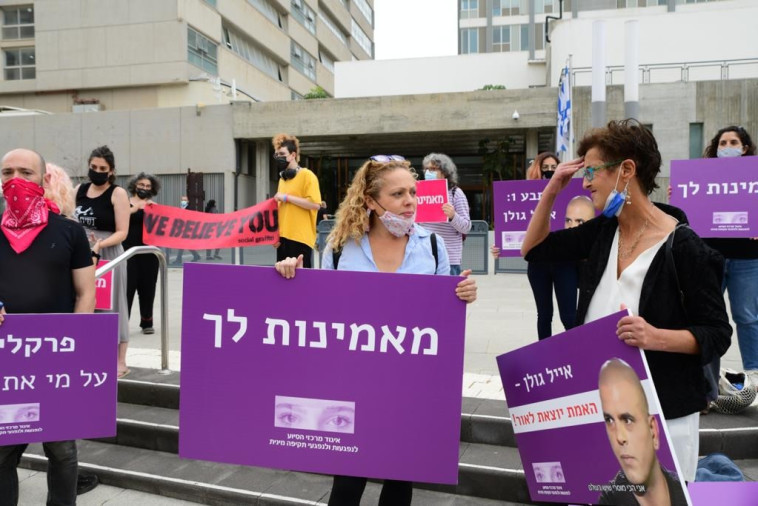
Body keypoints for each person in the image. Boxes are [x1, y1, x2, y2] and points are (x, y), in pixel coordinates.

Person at [521, 119, 731, 481]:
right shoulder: (604, 231)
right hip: (603, 410)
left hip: (665, 413)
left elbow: (717, 334)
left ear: (627, 170)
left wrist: (654, 337)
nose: (585, 183)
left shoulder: (684, 247)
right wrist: (553, 188)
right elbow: (534, 249)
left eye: (591, 172)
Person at [275, 154, 477, 506]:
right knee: (348, 482)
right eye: (398, 194)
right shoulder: (340, 250)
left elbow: (442, 322)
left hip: (410, 385)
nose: (410, 201)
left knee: (400, 481)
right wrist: (291, 278)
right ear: (370, 201)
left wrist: (462, 296)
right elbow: (320, 315)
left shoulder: (432, 246)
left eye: (412, 192)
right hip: (355, 383)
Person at [0, 148, 96, 506]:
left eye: (25, 172)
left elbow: (86, 294)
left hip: (55, 361)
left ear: (44, 179)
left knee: (62, 453)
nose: (15, 180)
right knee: (4, 454)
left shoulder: (70, 233)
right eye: (7, 172)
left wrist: (76, 346)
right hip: (6, 363)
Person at [702, 126, 758, 394]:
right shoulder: (702, 176)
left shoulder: (755, 176)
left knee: (747, 317)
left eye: (733, 142)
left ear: (745, 147)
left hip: (747, 258)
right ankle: (708, 384)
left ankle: (754, 377)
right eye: (723, 142)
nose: (728, 146)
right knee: (709, 318)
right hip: (712, 256)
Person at [74, 145, 131, 378]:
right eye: (93, 167)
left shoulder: (118, 194)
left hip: (108, 253)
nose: (97, 171)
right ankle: (88, 353)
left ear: (111, 171)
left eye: (102, 168)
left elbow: (122, 232)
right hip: (81, 253)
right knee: (84, 302)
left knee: (113, 305)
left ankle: (120, 360)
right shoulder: (79, 189)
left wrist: (100, 245)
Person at [597, 358, 687, 506]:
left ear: (653, 431)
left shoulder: (691, 492)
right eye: (609, 420)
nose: (619, 437)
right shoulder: (608, 499)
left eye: (627, 420)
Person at [272, 133, 321, 268]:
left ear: (293, 155)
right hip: (283, 240)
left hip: (300, 239)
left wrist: (286, 197)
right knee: (282, 282)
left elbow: (315, 205)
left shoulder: (307, 175)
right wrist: (275, 235)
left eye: (282, 153)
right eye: (276, 154)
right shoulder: (283, 179)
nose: (279, 157)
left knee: (301, 284)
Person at [420, 153, 472, 275]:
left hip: (449, 258)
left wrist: (453, 216)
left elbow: (466, 227)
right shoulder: (420, 193)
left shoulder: (455, 193)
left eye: (433, 169)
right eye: (426, 169)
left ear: (445, 172)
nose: (428, 172)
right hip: (424, 255)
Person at [124, 173, 161, 335]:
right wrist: (135, 209)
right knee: (127, 288)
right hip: (127, 253)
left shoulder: (154, 206)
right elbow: (117, 219)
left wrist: (154, 211)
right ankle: (123, 323)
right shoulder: (125, 203)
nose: (144, 188)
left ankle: (147, 322)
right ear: (134, 186)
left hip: (149, 253)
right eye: (141, 185)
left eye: (147, 186)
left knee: (148, 288)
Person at [171, 195, 201, 265]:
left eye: (185, 200)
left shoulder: (190, 209)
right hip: (182, 229)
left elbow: (193, 218)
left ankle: (179, 259)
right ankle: (196, 256)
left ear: (188, 201)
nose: (183, 201)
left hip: (188, 230)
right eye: (182, 200)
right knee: (186, 245)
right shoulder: (180, 209)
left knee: (182, 245)